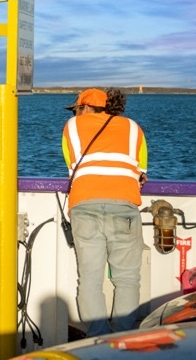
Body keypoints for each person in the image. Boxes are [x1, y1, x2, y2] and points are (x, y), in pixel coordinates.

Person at [62, 87, 149, 336]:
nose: (76, 114)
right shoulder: (134, 128)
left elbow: (70, 162)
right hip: (124, 205)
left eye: (77, 108)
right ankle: (122, 338)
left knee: (89, 278)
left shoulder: (72, 127)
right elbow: (142, 170)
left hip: (85, 204)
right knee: (127, 279)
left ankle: (97, 337)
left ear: (87, 107)